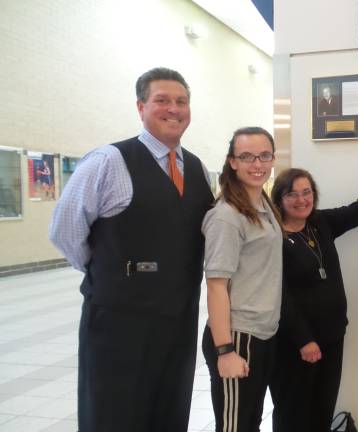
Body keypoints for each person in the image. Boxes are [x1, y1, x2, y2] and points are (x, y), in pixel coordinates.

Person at [49, 67, 213, 431]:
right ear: (141, 106)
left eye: (181, 101)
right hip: (119, 323)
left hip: (177, 320)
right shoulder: (108, 161)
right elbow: (65, 230)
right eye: (162, 100)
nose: (174, 109)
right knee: (115, 414)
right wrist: (107, 270)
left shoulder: (199, 169)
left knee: (169, 411)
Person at [270, 160, 358, 432]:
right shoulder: (271, 237)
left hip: (332, 337)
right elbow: (279, 296)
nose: (302, 200)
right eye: (292, 194)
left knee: (322, 411)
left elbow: (357, 211)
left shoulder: (320, 223)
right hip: (295, 345)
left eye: (307, 192)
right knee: (293, 414)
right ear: (279, 199)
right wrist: (304, 340)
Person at [201, 127, 283, 432]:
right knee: (235, 426)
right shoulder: (227, 216)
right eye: (246, 156)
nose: (257, 163)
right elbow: (216, 285)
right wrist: (225, 351)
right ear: (232, 161)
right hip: (237, 336)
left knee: (249, 422)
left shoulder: (263, 205)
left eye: (264, 156)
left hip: (261, 334)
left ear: (273, 158)